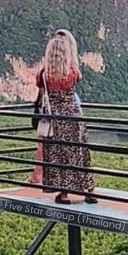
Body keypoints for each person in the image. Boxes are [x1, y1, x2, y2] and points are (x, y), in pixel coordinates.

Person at [35, 29, 97, 204]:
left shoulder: (43, 75)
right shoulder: (72, 73)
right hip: (74, 117)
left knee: (59, 156)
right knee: (79, 152)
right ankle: (89, 191)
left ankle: (64, 194)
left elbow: (41, 91)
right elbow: (78, 78)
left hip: (56, 119)